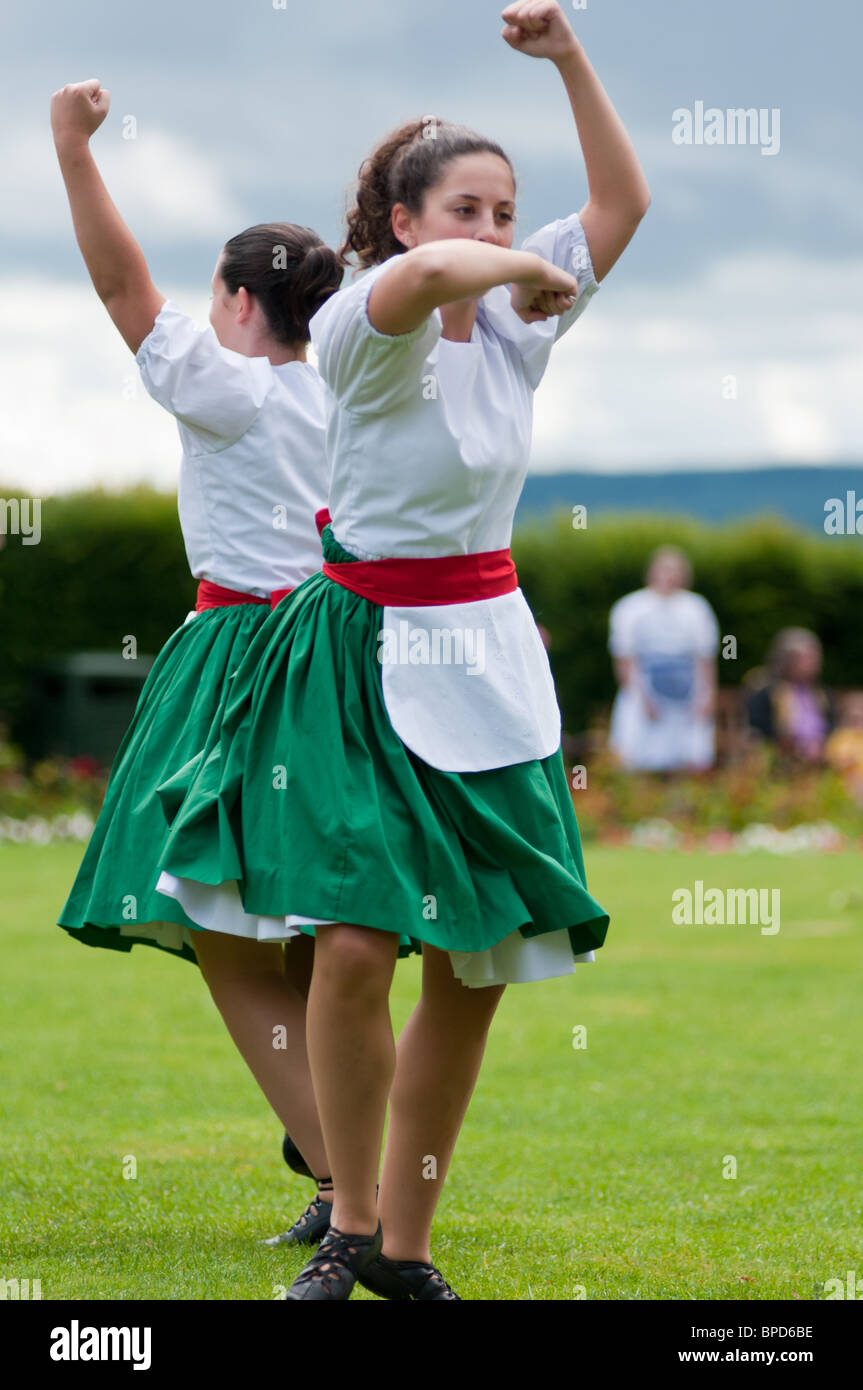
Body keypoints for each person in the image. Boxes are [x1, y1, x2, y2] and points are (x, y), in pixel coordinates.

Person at [157, 0, 649, 1300]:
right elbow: (432, 283)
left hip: (485, 653)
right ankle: (348, 1223)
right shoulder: (357, 326)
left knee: (473, 967)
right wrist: (510, 269)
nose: (493, 232)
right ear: (396, 221)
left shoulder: (511, 323)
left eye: (505, 211)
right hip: (357, 652)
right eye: (467, 210)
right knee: (356, 945)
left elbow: (621, 202)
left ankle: (403, 1250)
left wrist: (565, 60)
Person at [51, 78, 343, 1241]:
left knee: (212, 913)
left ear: (235, 300)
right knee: (315, 919)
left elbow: (123, 288)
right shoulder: (345, 392)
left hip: (239, 652)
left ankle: (334, 1165)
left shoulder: (228, 386)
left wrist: (72, 152)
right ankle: (334, 1137)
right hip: (340, 653)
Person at [608, 546, 719, 771]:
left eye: (676, 570)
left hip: (689, 692)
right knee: (641, 758)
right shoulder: (630, 607)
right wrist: (640, 697)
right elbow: (624, 658)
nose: (670, 576)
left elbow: (705, 657)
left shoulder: (697, 607)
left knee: (691, 758)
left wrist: (708, 695)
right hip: (645, 689)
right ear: (652, 572)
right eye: (664, 569)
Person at [747, 628, 836, 762]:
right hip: (782, 759)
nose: (815, 663)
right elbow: (759, 730)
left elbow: (833, 726)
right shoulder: (768, 693)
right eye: (807, 658)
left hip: (822, 756)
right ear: (787, 660)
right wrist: (796, 746)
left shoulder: (822, 693)